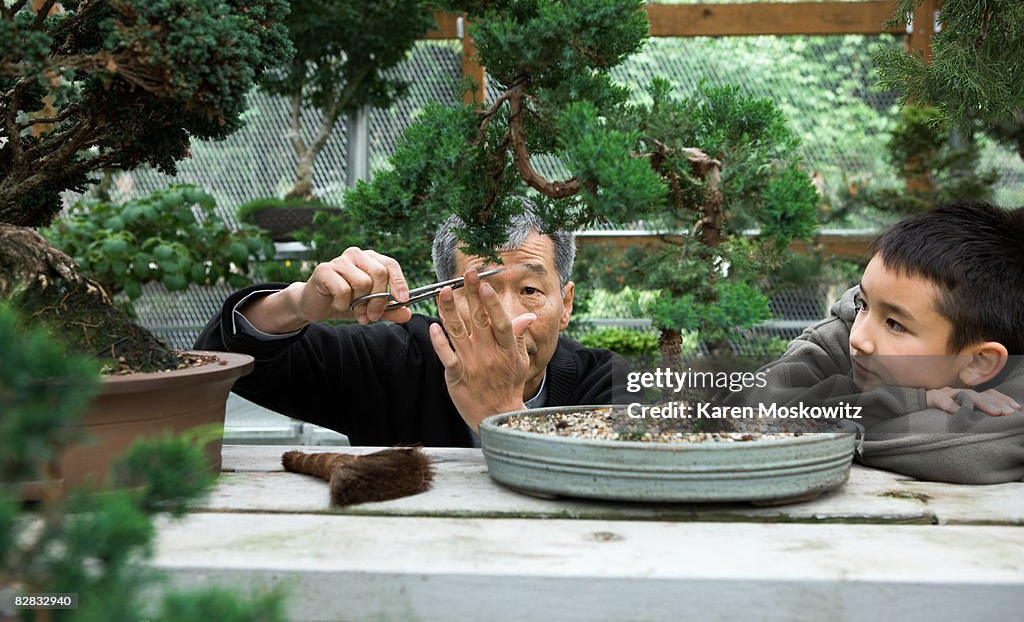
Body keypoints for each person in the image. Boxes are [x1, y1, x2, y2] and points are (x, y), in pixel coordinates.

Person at [195, 203, 636, 447]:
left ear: (566, 304)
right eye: (479, 289)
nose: (506, 318)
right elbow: (231, 360)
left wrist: (498, 411)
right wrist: (298, 303)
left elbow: (614, 489)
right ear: (443, 302)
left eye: (530, 291)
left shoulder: (606, 384)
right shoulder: (397, 361)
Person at [727, 201, 1024, 483]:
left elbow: (964, 451)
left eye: (895, 324)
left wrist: (827, 426)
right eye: (864, 303)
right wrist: (911, 402)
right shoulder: (851, 330)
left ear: (977, 361)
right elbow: (747, 411)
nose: (859, 338)